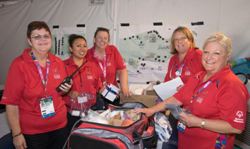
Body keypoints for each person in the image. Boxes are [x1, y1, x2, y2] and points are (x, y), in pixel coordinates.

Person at [136, 33, 249, 149]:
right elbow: (177, 98)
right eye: (206, 52)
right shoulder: (198, 76)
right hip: (187, 142)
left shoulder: (231, 85)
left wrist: (200, 122)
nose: (209, 57)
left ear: (227, 56)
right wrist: (150, 110)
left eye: (216, 53)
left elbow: (235, 127)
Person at [0, 21, 71, 149]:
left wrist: (65, 89)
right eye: (37, 37)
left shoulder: (58, 62)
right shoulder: (19, 65)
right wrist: (17, 134)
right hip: (33, 132)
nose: (42, 40)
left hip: (60, 127)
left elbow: (58, 92)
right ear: (29, 40)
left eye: (46, 36)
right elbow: (11, 103)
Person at [162, 26, 204, 148]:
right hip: (175, 107)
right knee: (171, 141)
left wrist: (187, 88)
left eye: (183, 38)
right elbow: (167, 80)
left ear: (190, 40)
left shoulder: (199, 55)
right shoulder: (173, 59)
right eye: (176, 40)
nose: (179, 42)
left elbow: (206, 81)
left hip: (192, 110)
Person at [63, 34, 102, 133]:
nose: (82, 49)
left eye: (84, 46)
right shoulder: (62, 66)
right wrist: (68, 93)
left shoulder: (93, 66)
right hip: (70, 114)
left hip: (91, 113)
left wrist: (103, 89)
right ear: (71, 48)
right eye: (78, 46)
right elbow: (56, 89)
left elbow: (98, 87)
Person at [86, 27, 129, 104]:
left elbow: (122, 70)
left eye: (105, 38)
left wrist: (124, 88)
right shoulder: (87, 55)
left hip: (113, 94)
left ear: (108, 41)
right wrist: (98, 89)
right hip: (95, 97)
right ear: (94, 39)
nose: (102, 40)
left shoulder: (113, 50)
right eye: (99, 38)